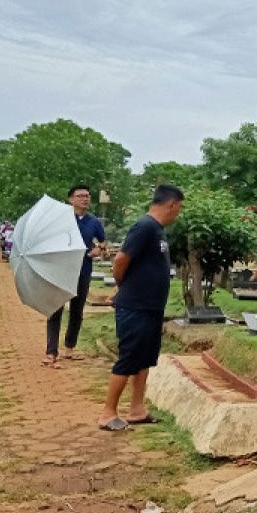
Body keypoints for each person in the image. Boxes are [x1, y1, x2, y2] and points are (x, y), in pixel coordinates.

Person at [98, 184, 184, 431]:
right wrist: (122, 286)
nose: (178, 213)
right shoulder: (144, 227)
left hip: (151, 306)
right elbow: (121, 259)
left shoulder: (158, 230)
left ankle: (137, 409)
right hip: (135, 306)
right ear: (171, 205)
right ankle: (107, 413)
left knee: (144, 359)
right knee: (128, 358)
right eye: (178, 207)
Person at [45, 184, 107, 367]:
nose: (85, 199)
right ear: (71, 199)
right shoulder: (61, 221)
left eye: (87, 196)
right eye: (80, 196)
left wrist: (98, 249)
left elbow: (103, 243)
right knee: (55, 310)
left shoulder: (94, 222)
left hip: (83, 270)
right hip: (61, 270)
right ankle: (51, 352)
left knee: (77, 311)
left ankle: (69, 348)